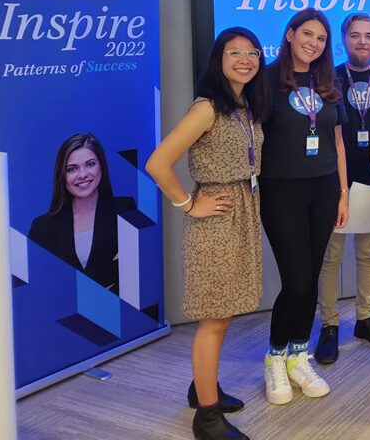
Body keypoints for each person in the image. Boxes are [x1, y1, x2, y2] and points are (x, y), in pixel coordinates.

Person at [145, 27, 270, 440]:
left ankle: (202, 387)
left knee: (224, 311)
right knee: (214, 319)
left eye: (252, 53)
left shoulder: (244, 105)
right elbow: (158, 163)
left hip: (241, 215)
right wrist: (188, 204)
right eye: (235, 53)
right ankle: (208, 417)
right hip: (216, 224)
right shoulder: (207, 108)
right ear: (219, 59)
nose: (245, 60)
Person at [259, 9, 349, 406]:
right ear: (290, 34)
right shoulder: (265, 80)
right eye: (307, 34)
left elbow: (337, 141)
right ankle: (275, 357)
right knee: (295, 280)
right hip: (281, 189)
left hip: (324, 188)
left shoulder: (328, 82)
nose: (314, 43)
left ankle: (299, 355)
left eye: (321, 38)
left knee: (311, 277)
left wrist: (343, 192)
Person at [315, 14, 370, 365]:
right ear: (344, 39)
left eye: (369, 36)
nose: (362, 41)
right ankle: (330, 325)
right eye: (355, 35)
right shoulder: (326, 80)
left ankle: (365, 318)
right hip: (336, 184)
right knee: (330, 257)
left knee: (368, 254)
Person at [29, 133, 137, 295]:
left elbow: (134, 270)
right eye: (72, 169)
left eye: (90, 164)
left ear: (101, 166)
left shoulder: (125, 209)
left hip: (117, 308)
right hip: (62, 311)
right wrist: (109, 270)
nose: (82, 174)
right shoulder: (42, 227)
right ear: (62, 175)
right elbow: (42, 285)